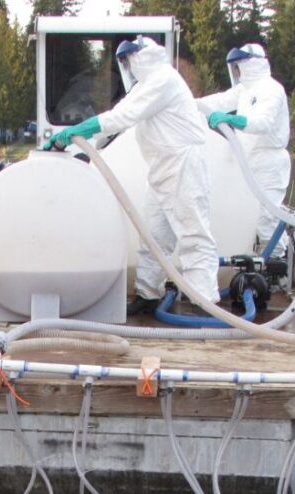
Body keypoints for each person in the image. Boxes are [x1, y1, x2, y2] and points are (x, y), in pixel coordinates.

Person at [44, 35, 219, 312]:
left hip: (182, 165)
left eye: (127, 61)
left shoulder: (162, 79)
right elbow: (120, 115)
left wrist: (76, 131)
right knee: (152, 235)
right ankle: (149, 295)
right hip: (162, 167)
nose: (127, 67)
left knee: (192, 235)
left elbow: (120, 118)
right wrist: (87, 141)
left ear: (138, 58)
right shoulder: (147, 85)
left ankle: (205, 303)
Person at [199, 43, 291, 258]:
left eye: (237, 66)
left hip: (268, 162)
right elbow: (218, 101)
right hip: (245, 161)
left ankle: (276, 265)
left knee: (265, 219)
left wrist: (233, 120)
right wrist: (186, 104)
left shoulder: (272, 90)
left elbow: (263, 122)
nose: (236, 72)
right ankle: (256, 262)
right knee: (244, 216)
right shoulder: (244, 91)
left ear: (249, 64)